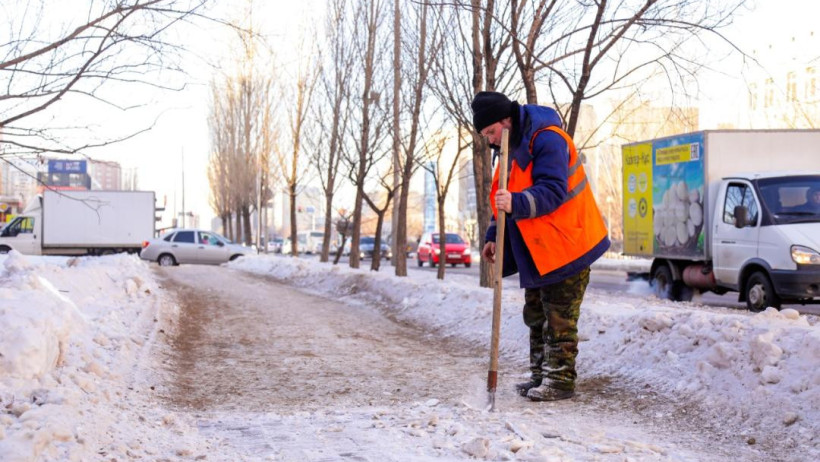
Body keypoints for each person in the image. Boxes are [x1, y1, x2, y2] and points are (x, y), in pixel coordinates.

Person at [472, 91, 610, 401]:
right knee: (535, 314)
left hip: (568, 244)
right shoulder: (509, 150)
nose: (491, 141)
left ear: (506, 121)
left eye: (491, 132)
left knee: (558, 317)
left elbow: (552, 190)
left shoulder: (547, 139)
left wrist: (516, 203)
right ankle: (540, 375)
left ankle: (559, 381)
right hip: (539, 249)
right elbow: (502, 199)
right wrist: (494, 234)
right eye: (486, 136)